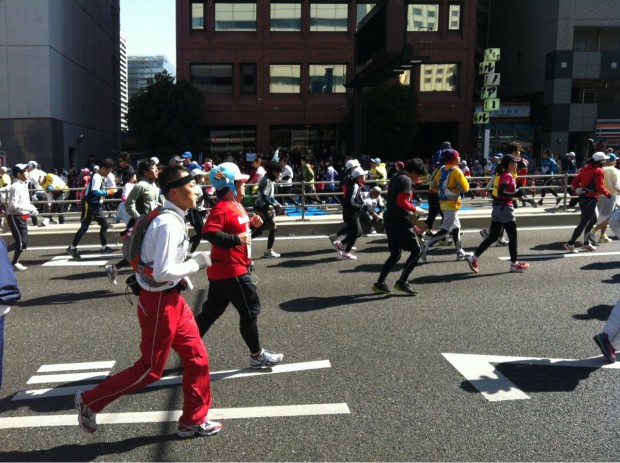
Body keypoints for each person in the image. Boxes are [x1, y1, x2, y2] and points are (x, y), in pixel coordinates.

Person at [75, 165, 220, 438]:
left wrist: (182, 273)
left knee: (198, 358)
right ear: (175, 191)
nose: (198, 190)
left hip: (171, 298)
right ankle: (89, 400)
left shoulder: (171, 215)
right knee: (150, 371)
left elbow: (159, 265)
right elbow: (164, 271)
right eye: (192, 185)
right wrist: (197, 263)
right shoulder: (168, 223)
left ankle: (193, 419)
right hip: (159, 305)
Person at [194, 162, 284, 369]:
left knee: (211, 312)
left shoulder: (236, 206)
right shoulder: (222, 208)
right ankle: (256, 355)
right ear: (230, 186)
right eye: (240, 183)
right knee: (250, 311)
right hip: (231, 270)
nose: (245, 185)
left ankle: (186, 346)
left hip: (226, 269)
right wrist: (237, 239)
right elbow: (209, 232)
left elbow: (244, 238)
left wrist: (254, 227)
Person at [465, 155, 530, 273]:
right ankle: (514, 264)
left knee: (493, 236)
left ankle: (473, 257)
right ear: (509, 164)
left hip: (497, 209)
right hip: (505, 210)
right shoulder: (507, 175)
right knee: (513, 237)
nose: (516, 165)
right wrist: (515, 194)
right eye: (514, 163)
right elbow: (502, 191)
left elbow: (499, 192)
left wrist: (516, 191)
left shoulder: (502, 175)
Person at [372, 159, 427, 295]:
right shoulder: (406, 180)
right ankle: (402, 282)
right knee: (417, 251)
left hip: (390, 219)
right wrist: (415, 209)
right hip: (399, 220)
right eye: (418, 175)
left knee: (395, 254)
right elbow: (401, 202)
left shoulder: (397, 176)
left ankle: (380, 283)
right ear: (413, 172)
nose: (418, 179)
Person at [104, 159, 161, 284]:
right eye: (153, 168)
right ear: (145, 172)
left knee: (146, 254)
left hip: (153, 224)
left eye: (157, 167)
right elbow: (129, 204)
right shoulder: (141, 185)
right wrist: (139, 218)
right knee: (143, 254)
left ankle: (116, 268)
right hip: (144, 226)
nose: (157, 169)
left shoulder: (154, 185)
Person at [420, 149, 470, 262]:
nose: (459, 158)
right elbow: (465, 188)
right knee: (446, 230)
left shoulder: (442, 169)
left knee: (457, 228)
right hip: (452, 203)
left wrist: (442, 190)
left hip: (443, 202)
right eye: (458, 157)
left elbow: (433, 184)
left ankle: (459, 251)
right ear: (454, 159)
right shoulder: (457, 171)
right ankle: (425, 246)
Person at [66, 158, 115, 260]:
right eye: (108, 170)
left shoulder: (99, 176)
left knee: (104, 225)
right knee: (84, 226)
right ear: (103, 168)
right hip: (89, 204)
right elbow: (95, 191)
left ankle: (104, 246)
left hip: (95, 205)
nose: (109, 173)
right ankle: (72, 248)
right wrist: (108, 192)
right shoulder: (97, 177)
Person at [564, 152, 612, 253]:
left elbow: (574, 183)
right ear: (600, 161)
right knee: (585, 222)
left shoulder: (585, 168)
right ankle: (570, 243)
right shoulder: (599, 171)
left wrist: (582, 189)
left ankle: (586, 243)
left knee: (592, 220)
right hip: (591, 199)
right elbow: (600, 187)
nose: (605, 162)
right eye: (604, 160)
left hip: (583, 198)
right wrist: (609, 194)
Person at [6, 164, 39, 271]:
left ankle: (4, 253)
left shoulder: (24, 184)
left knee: (22, 242)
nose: (28, 173)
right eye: (25, 171)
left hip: (21, 216)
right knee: (20, 243)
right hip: (14, 217)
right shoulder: (15, 187)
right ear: (19, 174)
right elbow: (12, 206)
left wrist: (32, 208)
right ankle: (13, 264)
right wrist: (29, 209)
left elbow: (25, 202)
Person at [333, 166, 367, 260]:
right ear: (359, 177)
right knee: (356, 232)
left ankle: (341, 244)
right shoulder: (355, 186)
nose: (365, 176)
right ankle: (344, 251)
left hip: (350, 213)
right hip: (350, 213)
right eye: (363, 175)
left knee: (358, 232)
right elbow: (351, 201)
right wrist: (361, 206)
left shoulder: (355, 184)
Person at [252, 160, 283, 258]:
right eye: (278, 172)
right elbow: (265, 197)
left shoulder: (267, 179)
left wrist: (276, 204)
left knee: (261, 229)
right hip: (263, 208)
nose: (279, 174)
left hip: (261, 207)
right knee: (270, 228)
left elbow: (270, 197)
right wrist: (275, 205)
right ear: (274, 171)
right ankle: (268, 251)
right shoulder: (267, 181)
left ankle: (241, 241)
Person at [587, 153, 620, 243]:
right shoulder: (615, 171)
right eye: (615, 160)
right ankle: (593, 231)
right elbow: (617, 186)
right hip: (610, 196)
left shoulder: (599, 169)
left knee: (603, 216)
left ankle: (602, 236)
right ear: (613, 161)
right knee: (609, 217)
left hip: (599, 195)